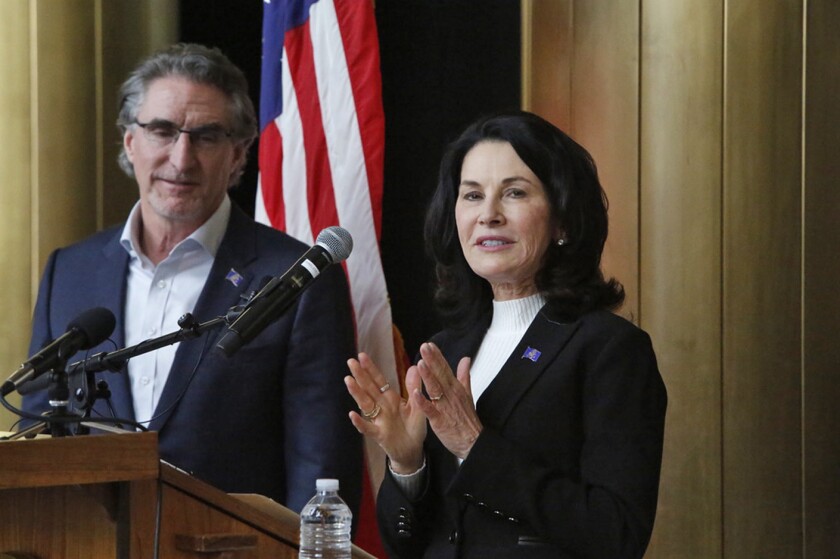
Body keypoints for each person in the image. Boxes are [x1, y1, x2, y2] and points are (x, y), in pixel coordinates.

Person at [22, 43, 362, 516]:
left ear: (238, 154)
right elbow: (36, 430)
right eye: (162, 130)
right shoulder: (70, 271)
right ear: (130, 142)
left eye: (204, 136)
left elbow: (320, 468)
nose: (181, 160)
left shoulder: (297, 278)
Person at [345, 111, 667, 558]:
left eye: (514, 193)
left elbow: (617, 534)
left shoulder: (608, 349)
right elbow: (407, 545)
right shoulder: (446, 348)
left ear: (563, 220)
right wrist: (406, 464)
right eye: (472, 195)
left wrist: (475, 447)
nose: (488, 215)